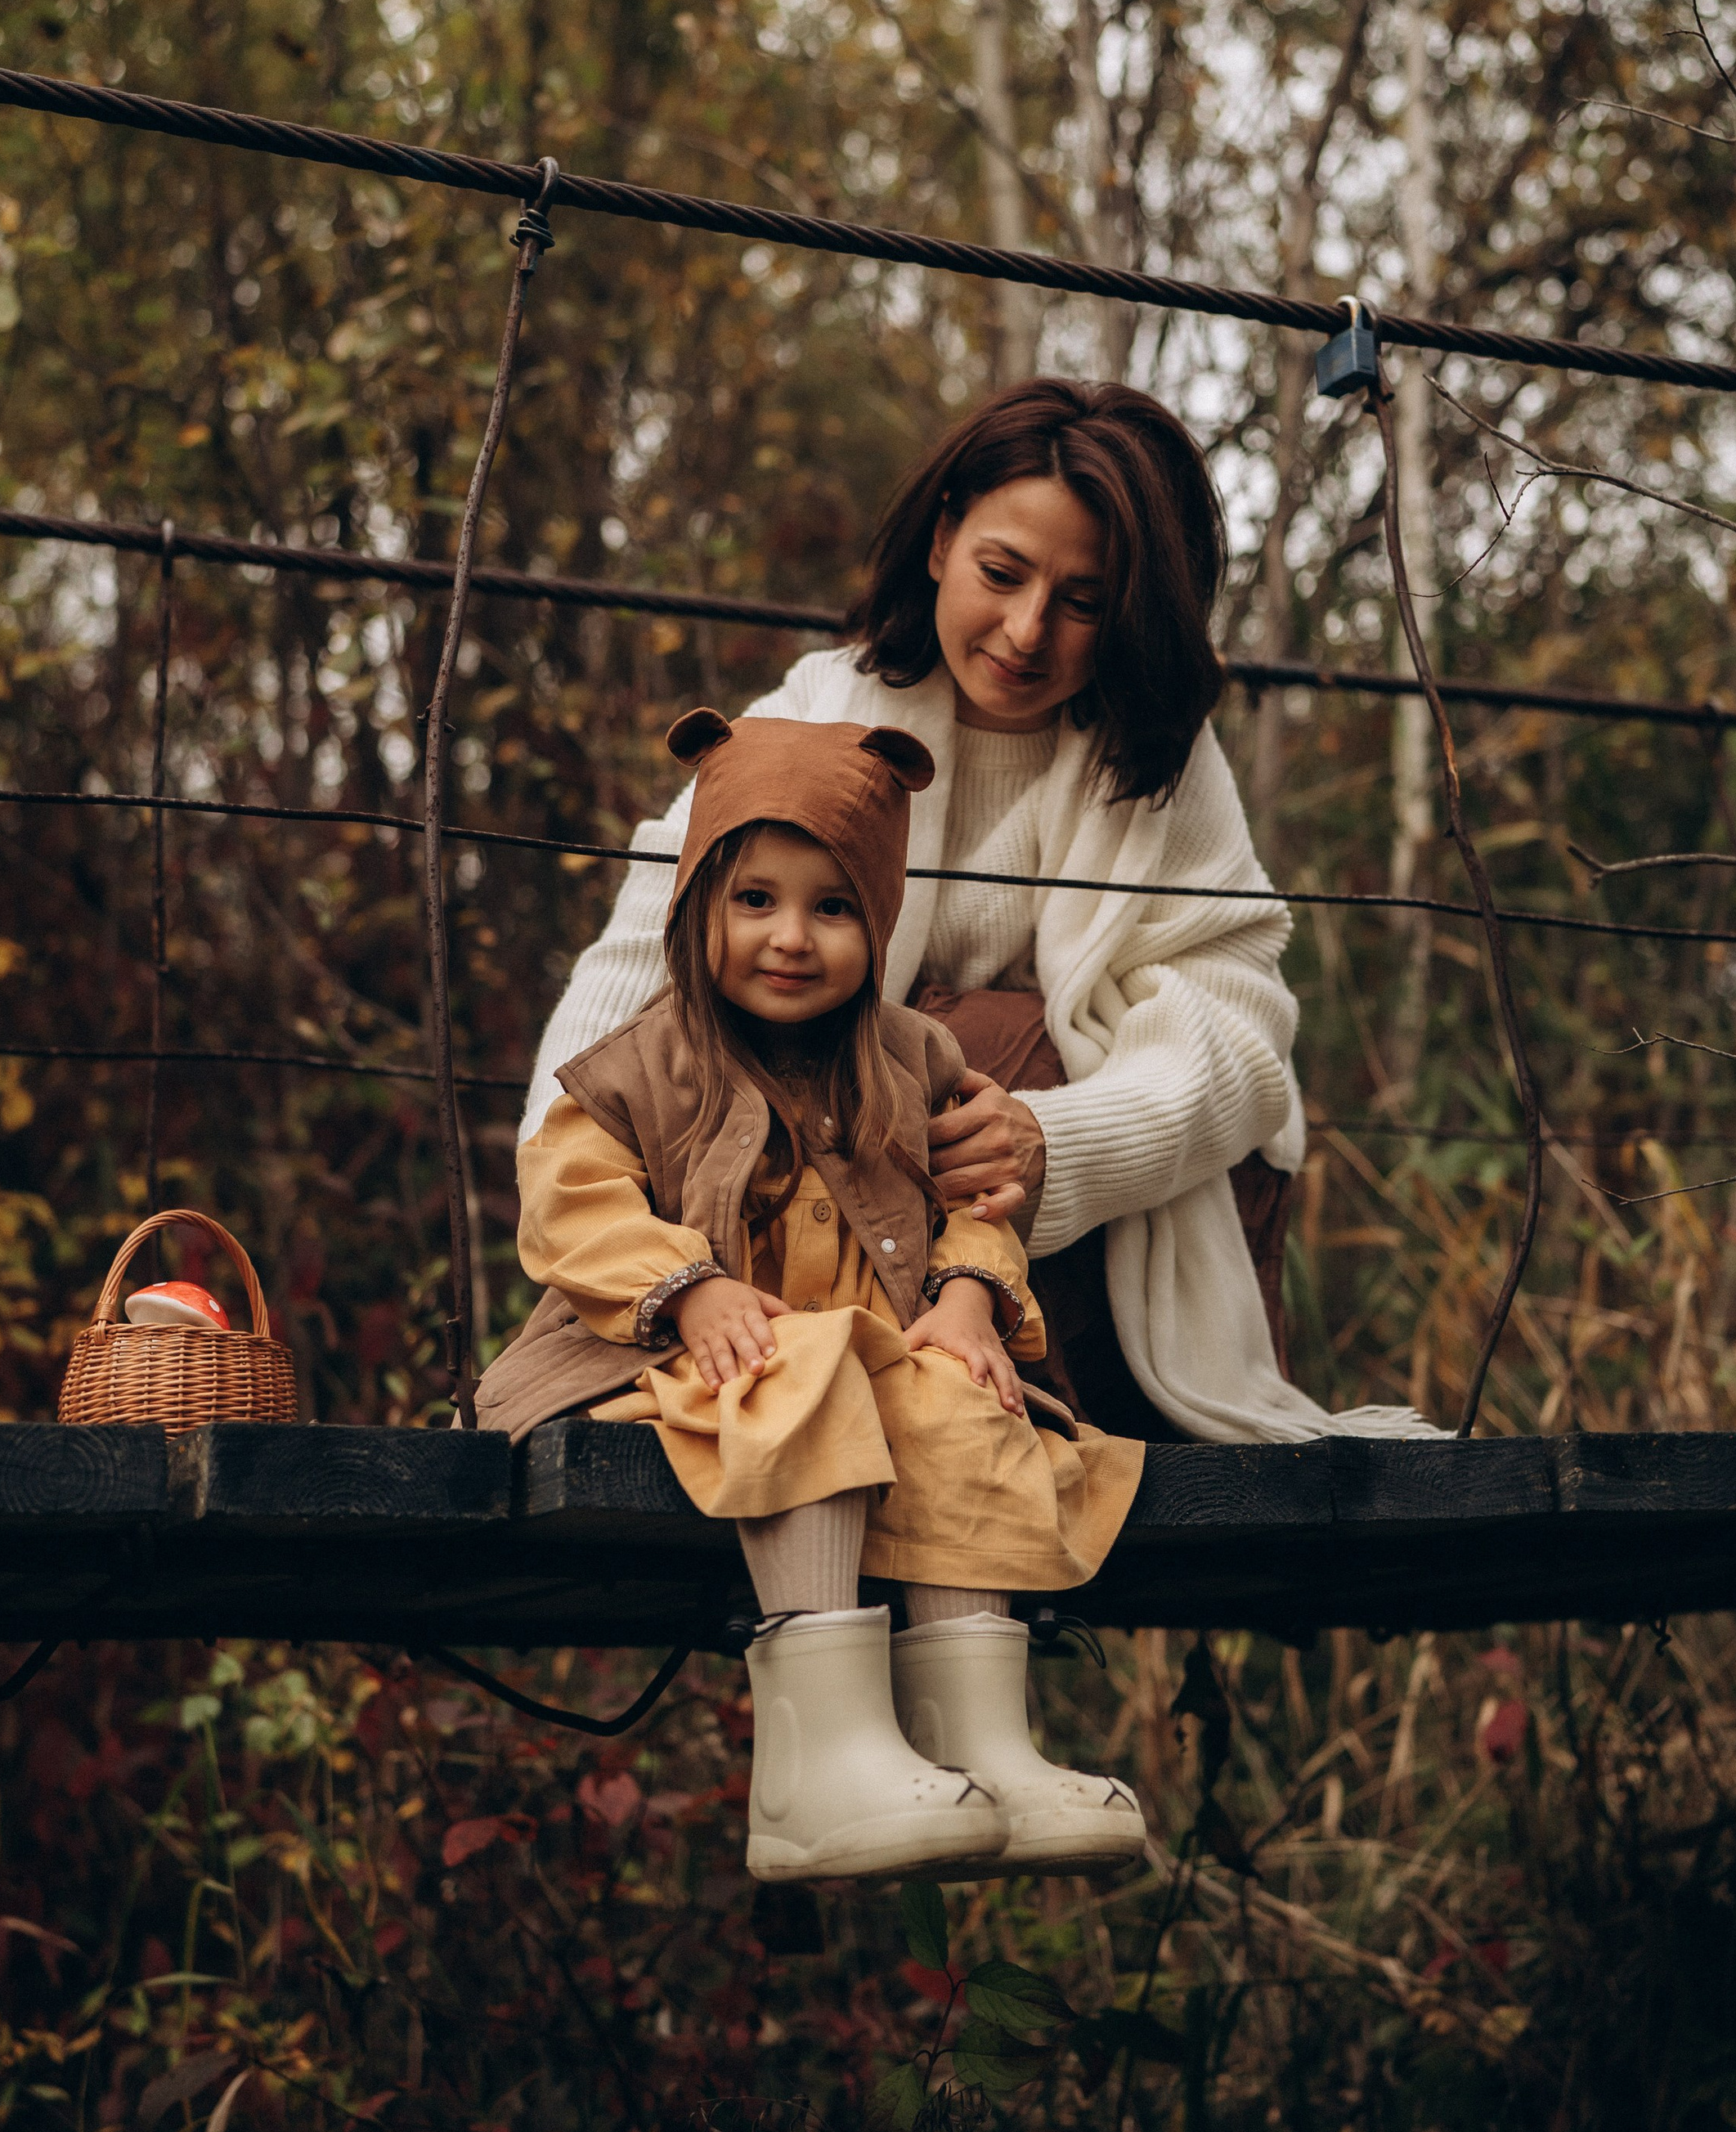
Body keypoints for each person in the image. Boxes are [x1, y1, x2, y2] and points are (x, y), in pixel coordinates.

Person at [516, 376, 1437, 1446]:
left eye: (1084, 602)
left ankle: (992, 1426)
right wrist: (579, 1186)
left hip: (1043, 1246)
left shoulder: (1159, 768)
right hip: (811, 1226)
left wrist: (1060, 1139)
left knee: (984, 1043)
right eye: (1002, 572)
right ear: (943, 538)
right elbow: (648, 959)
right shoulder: (819, 709)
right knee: (874, 1048)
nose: (1027, 630)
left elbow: (1238, 1035)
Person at [479, 703, 1146, 1886]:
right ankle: (819, 1768)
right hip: (683, 1366)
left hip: (872, 1372)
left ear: (879, 924)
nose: (792, 937)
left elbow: (978, 1208)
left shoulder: (917, 1059)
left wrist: (969, 1304)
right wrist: (686, 1291)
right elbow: (567, 1196)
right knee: (804, 1361)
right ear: (698, 909)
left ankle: (978, 1749)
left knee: (959, 1396)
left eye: (833, 907)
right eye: (756, 901)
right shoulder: (650, 1057)